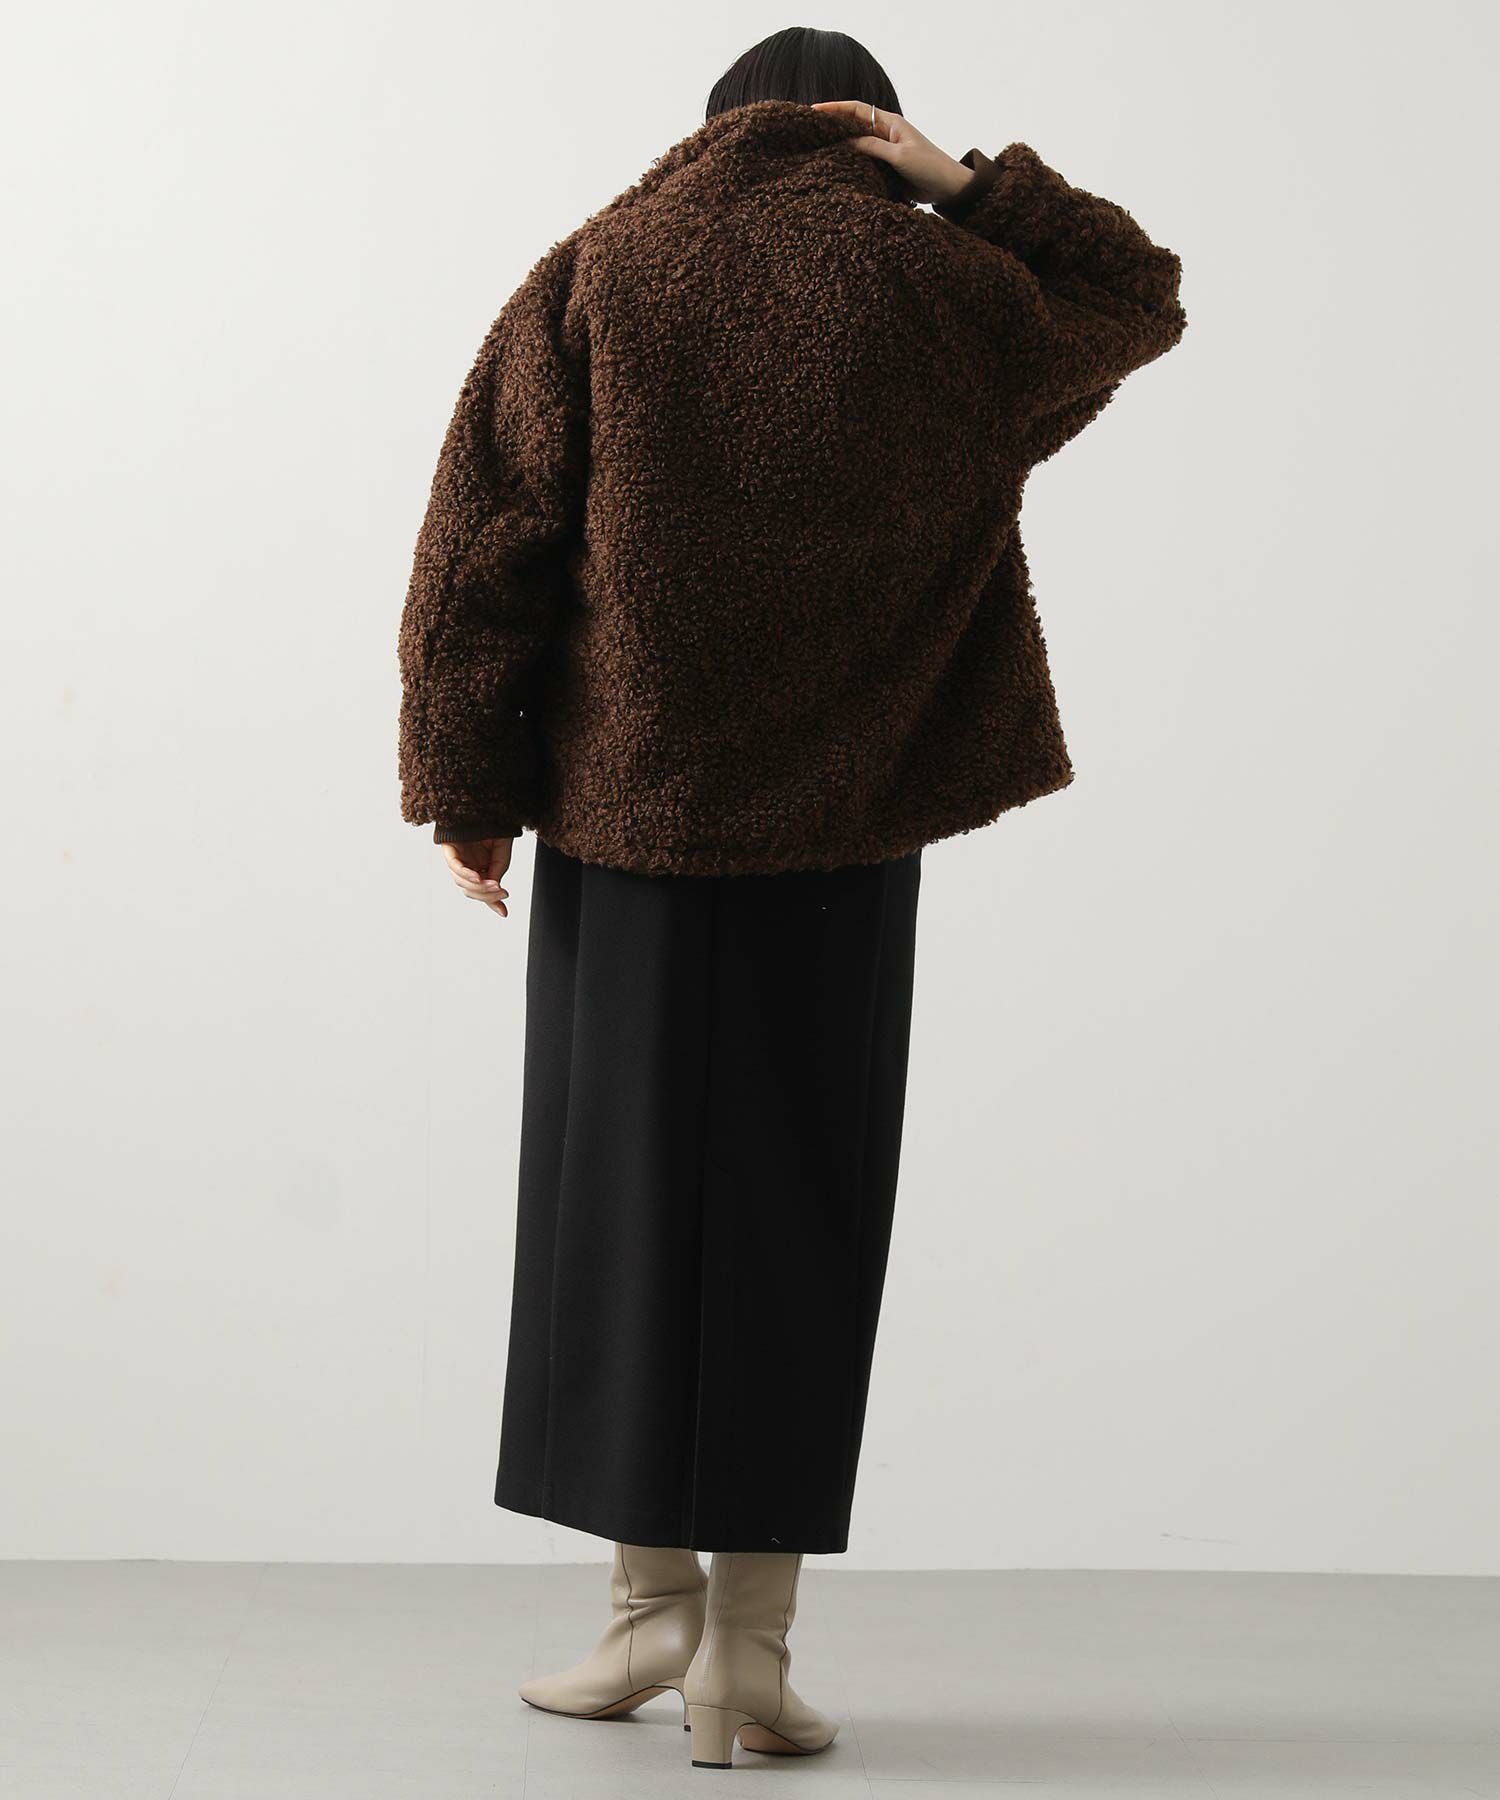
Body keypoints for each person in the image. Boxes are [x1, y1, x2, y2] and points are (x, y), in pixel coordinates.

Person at [396, 24, 1185, 1772]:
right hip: (845, 833)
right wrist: (969, 188)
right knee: (795, 1218)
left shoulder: (600, 270)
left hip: (629, 822)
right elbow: (1139, 290)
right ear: (869, 132)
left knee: (614, 1214)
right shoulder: (955, 294)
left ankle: (640, 1620)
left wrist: (467, 791)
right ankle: (744, 1661)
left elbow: (482, 545)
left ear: (710, 133)